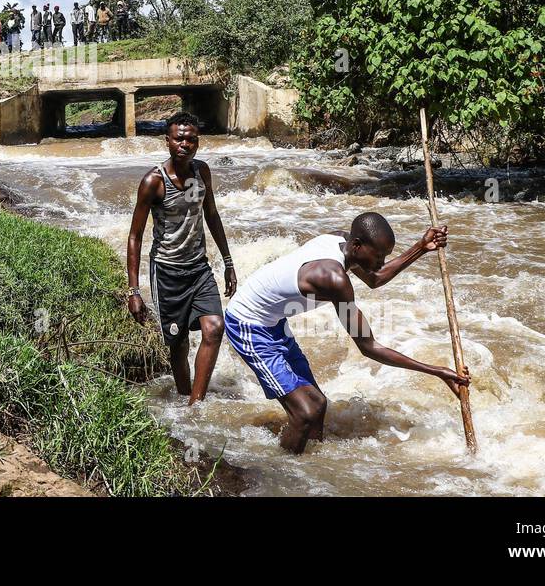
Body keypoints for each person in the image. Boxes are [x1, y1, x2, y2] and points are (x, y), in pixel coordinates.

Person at [224, 213, 470, 454]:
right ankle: (281, 471)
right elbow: (368, 347)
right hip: (248, 323)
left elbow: (374, 279)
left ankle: (307, 470)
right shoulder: (333, 278)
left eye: (385, 256)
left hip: (273, 321)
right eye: (378, 256)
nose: (381, 262)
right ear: (357, 245)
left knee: (318, 405)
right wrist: (437, 372)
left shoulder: (339, 240)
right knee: (304, 413)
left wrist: (421, 247)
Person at [126, 111, 236, 405]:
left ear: (198, 142)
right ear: (168, 141)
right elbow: (135, 236)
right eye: (179, 139)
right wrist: (134, 291)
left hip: (198, 269)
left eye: (191, 139)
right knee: (178, 344)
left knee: (214, 328)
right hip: (167, 273)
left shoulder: (202, 172)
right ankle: (184, 392)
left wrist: (228, 262)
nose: (184, 144)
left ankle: (194, 404)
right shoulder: (154, 181)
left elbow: (211, 215)